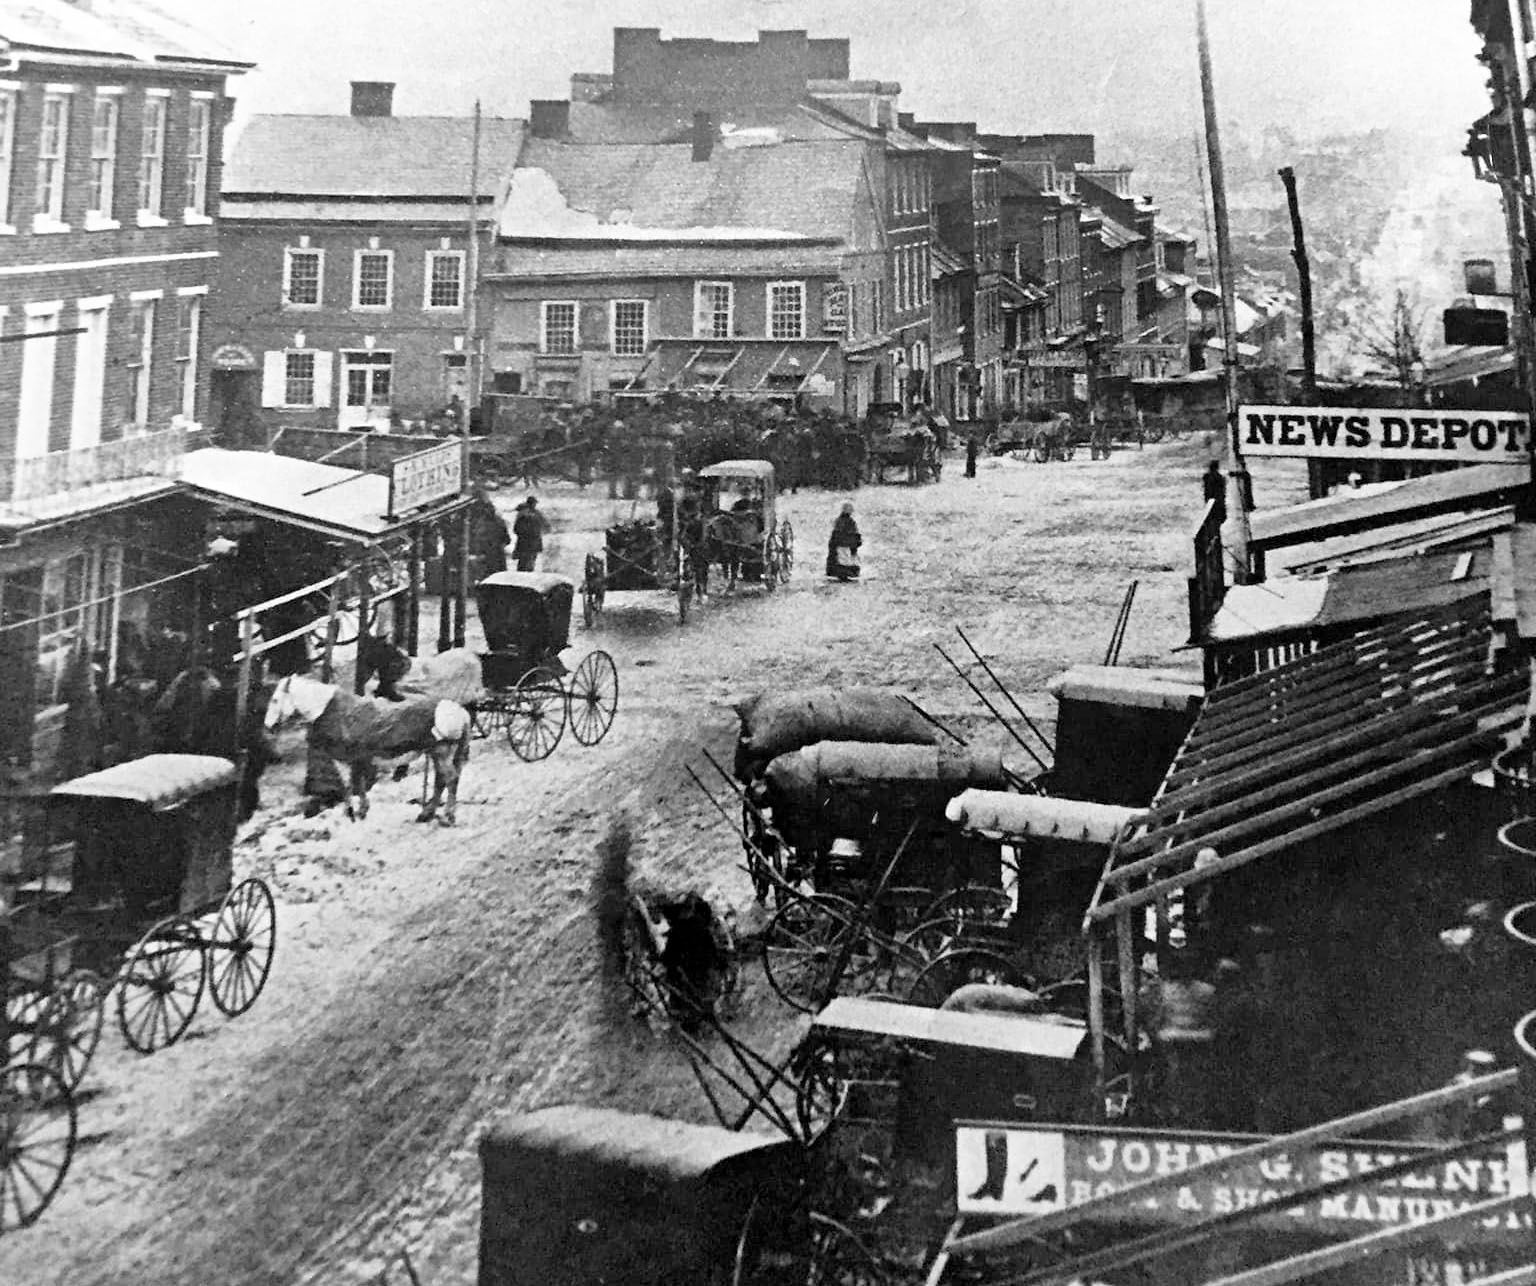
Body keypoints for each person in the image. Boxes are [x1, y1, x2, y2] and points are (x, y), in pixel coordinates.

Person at [826, 501, 862, 581]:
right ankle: (847, 571)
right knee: (846, 560)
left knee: (844, 560)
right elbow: (855, 536)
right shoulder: (850, 522)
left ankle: (843, 571)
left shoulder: (841, 522)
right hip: (844, 549)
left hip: (843, 549)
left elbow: (835, 537)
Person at [512, 495, 547, 573]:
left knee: (523, 563)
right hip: (533, 543)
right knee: (529, 563)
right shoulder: (536, 513)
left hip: (523, 543)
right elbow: (545, 524)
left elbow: (515, 529)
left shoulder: (521, 513)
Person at [1202, 460, 1226, 524]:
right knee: (1217, 521)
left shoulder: (1206, 477)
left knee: (1211, 520)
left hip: (1209, 502)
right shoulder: (1220, 478)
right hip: (1218, 502)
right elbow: (1222, 492)